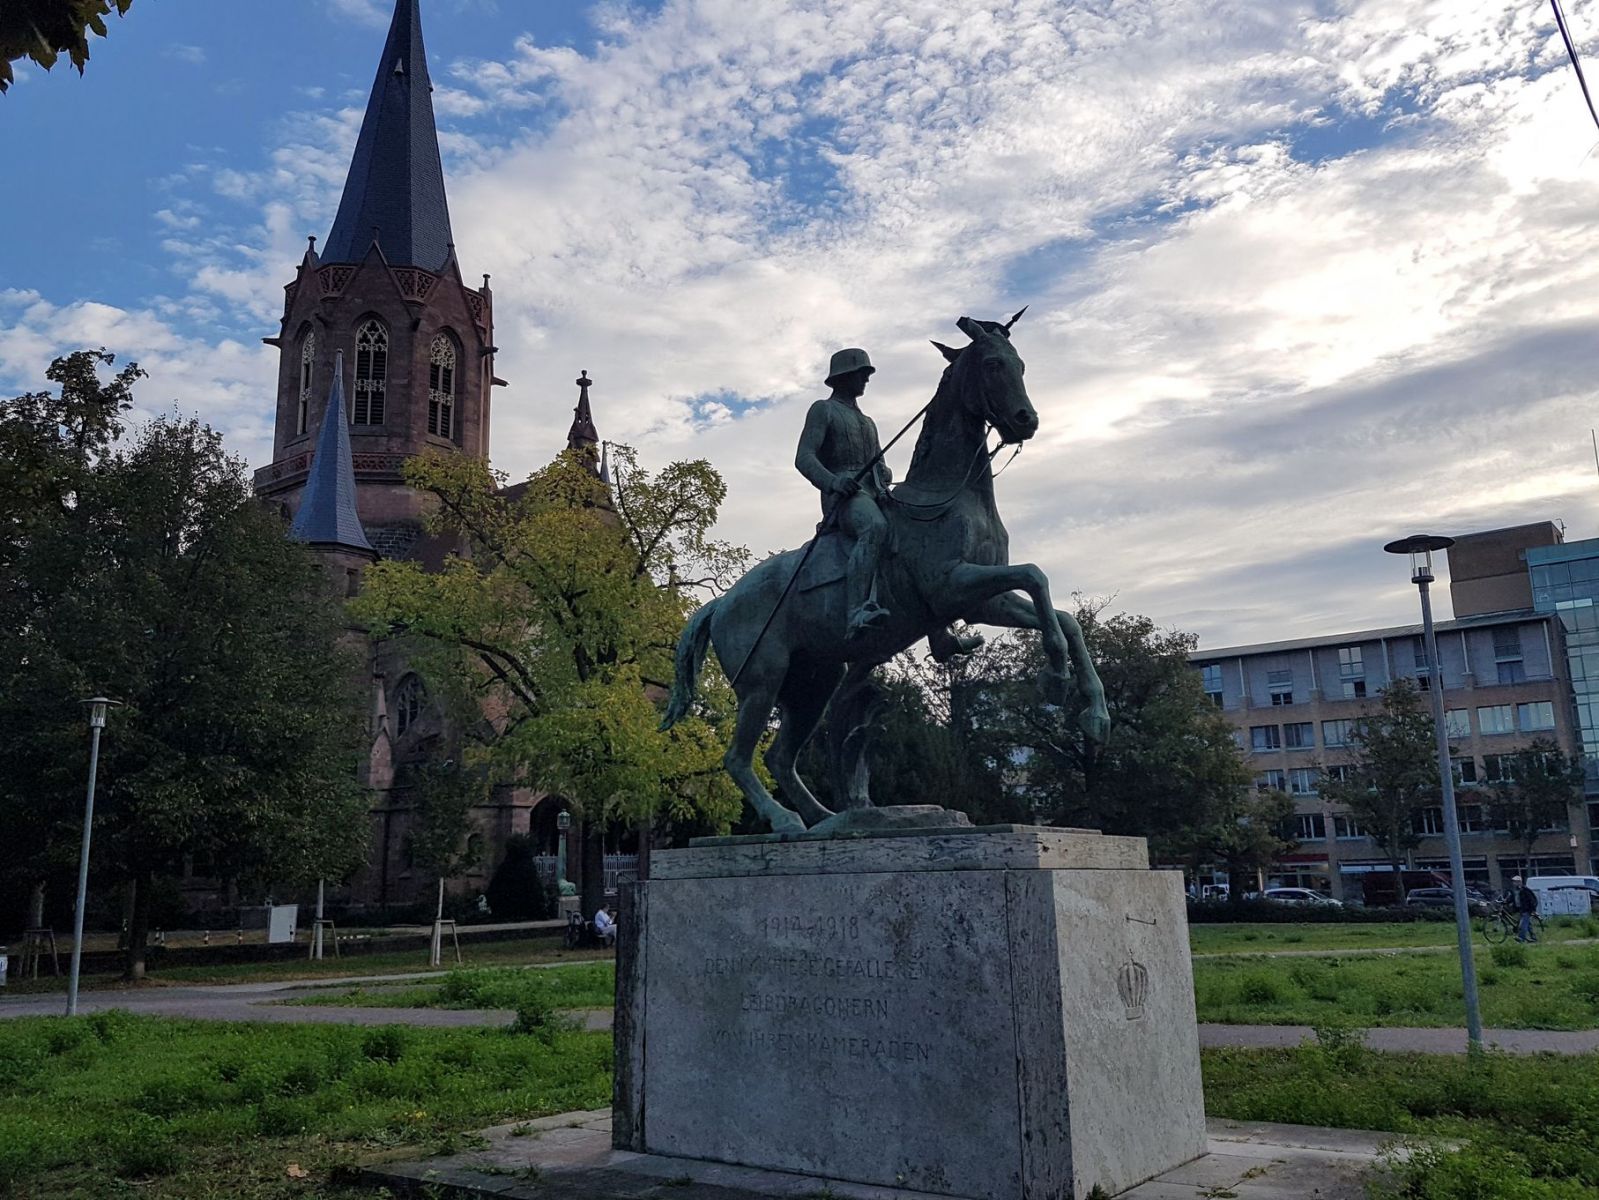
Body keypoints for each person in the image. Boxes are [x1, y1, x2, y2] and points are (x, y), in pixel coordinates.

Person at [1512, 875, 1539, 943]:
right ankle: (1533, 937)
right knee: (1528, 925)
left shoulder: (1525, 890)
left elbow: (1532, 900)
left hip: (1527, 910)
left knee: (1523, 925)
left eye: (1515, 882)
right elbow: (1514, 899)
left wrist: (1533, 910)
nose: (1514, 883)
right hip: (1521, 910)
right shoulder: (1516, 891)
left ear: (1519, 882)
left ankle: (1521, 938)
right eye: (1513, 882)